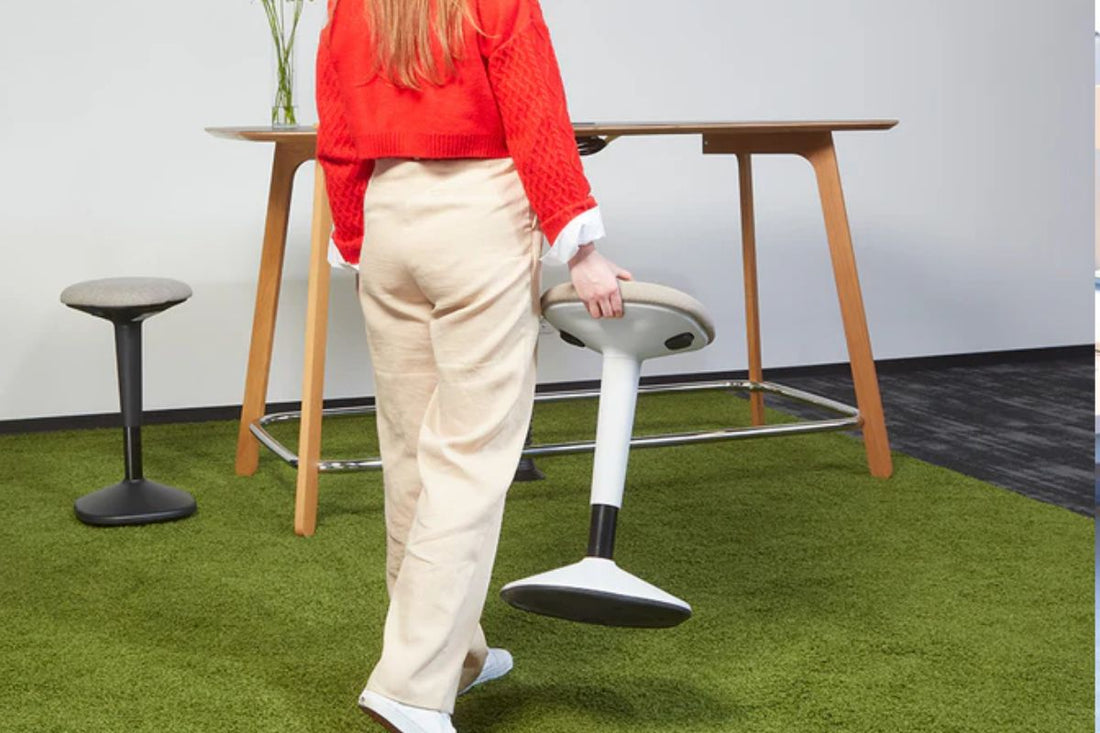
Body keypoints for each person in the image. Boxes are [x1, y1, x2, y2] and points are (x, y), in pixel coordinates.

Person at [315, 0, 633, 730]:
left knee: (410, 454)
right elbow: (537, 116)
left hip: (391, 217)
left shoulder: (348, 5)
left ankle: (454, 653)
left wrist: (359, 239)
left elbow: (337, 137)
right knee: (467, 456)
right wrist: (579, 247)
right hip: (479, 217)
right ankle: (411, 685)